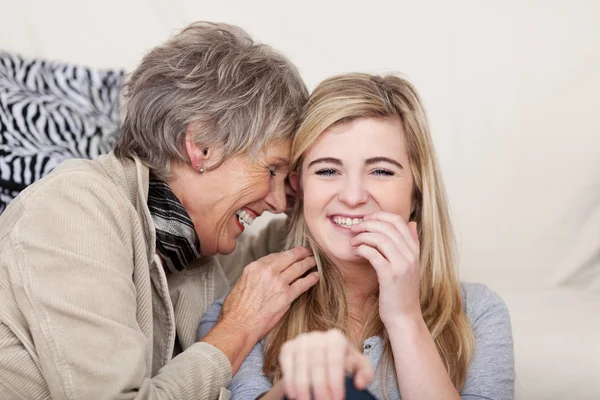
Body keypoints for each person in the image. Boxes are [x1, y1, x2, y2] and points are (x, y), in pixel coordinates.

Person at [0, 22, 321, 399]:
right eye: (272, 170)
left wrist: (324, 189)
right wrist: (238, 327)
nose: (279, 202)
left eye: (287, 183)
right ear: (202, 146)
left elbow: (287, 252)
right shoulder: (75, 206)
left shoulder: (190, 246)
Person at [199, 73, 515, 400]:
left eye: (381, 171)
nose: (352, 196)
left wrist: (405, 318)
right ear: (299, 188)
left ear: (417, 192)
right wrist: (300, 388)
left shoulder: (479, 313)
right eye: (327, 170)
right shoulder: (243, 311)